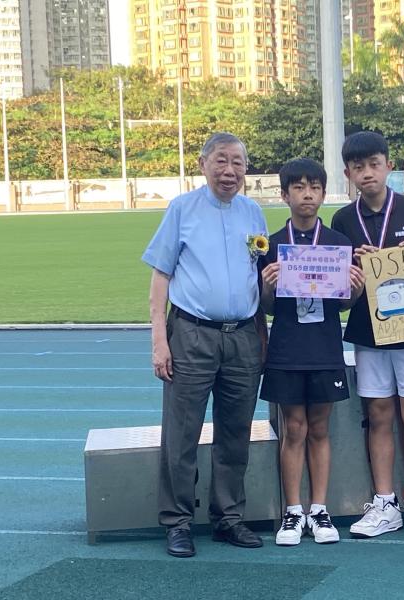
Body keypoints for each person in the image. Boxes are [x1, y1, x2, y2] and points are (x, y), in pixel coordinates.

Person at [142, 132, 268, 558]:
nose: (229, 171)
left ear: (246, 169)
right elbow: (160, 276)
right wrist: (160, 340)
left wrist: (260, 338)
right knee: (182, 434)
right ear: (203, 164)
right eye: (221, 161)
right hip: (192, 333)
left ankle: (228, 518)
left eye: (237, 162)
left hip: (243, 336)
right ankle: (177, 522)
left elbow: (259, 278)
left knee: (235, 433)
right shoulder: (182, 209)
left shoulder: (254, 213)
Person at [331, 131, 404, 539]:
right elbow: (340, 285)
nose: (367, 173)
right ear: (348, 174)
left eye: (373, 164)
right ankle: (385, 503)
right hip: (367, 330)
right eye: (357, 168)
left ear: (388, 166)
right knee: (377, 415)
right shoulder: (343, 219)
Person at [258, 158, 365, 546]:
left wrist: (356, 287)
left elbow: (343, 303)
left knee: (319, 428)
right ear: (284, 194)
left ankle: (319, 509)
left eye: (314, 187)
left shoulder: (337, 243)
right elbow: (268, 307)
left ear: (323, 192)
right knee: (294, 429)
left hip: (324, 348)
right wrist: (268, 286)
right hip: (287, 349)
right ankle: (292, 512)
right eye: (299, 188)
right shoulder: (270, 244)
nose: (307, 194)